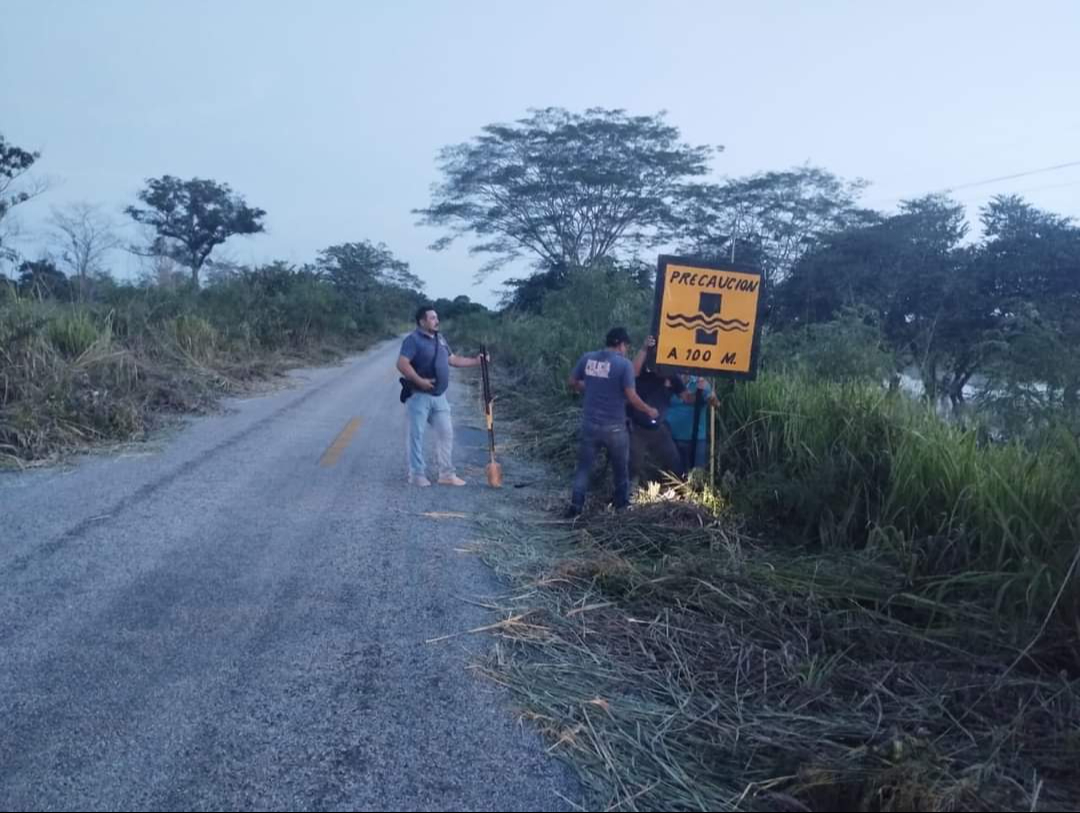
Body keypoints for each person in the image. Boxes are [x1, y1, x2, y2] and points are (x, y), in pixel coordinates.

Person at [565, 327, 659, 517]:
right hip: (615, 428)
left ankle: (575, 506)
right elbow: (631, 396)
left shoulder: (587, 358)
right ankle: (621, 507)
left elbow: (572, 382)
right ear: (621, 345)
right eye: (626, 346)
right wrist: (649, 410)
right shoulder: (623, 365)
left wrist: (589, 387)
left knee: (584, 468)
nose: (626, 350)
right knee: (620, 470)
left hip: (590, 425)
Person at [396, 304, 487, 487]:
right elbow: (402, 364)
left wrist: (476, 362)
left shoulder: (441, 339)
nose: (436, 321)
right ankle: (416, 474)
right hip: (418, 395)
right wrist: (419, 381)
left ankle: (446, 474)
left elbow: (452, 360)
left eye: (437, 318)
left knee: (446, 433)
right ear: (421, 321)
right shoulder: (413, 340)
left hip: (439, 397)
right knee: (416, 435)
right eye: (432, 318)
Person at [627, 335, 690, 485]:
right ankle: (626, 498)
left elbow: (686, 397)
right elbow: (631, 373)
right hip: (637, 428)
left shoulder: (671, 374)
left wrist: (704, 392)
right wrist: (644, 348)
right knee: (633, 466)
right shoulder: (642, 370)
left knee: (675, 462)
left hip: (659, 429)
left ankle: (682, 491)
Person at [665, 373, 721, 474]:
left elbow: (716, 404)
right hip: (671, 438)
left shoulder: (700, 382)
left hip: (696, 438)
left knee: (697, 475)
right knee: (673, 476)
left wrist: (712, 398)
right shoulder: (670, 380)